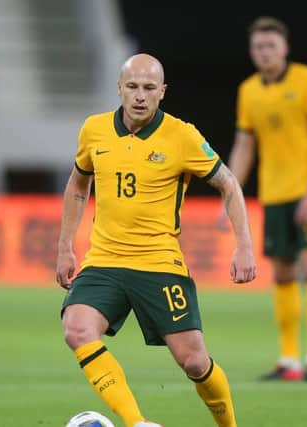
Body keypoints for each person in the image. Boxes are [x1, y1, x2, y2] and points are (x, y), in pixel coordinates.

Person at [56, 53, 256, 427]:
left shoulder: (182, 136)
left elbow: (228, 183)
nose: (139, 96)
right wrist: (66, 245)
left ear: (162, 92)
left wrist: (244, 244)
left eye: (149, 88)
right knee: (77, 328)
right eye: (132, 86)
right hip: (105, 260)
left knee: (194, 360)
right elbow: (78, 183)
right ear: (119, 87)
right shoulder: (94, 130)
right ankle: (138, 423)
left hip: (159, 262)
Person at [226, 17, 307, 382]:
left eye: (271, 45)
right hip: (273, 193)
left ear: (284, 48)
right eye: (258, 47)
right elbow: (245, 145)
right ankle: (289, 360)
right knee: (284, 272)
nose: (265, 52)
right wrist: (232, 189)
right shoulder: (248, 90)